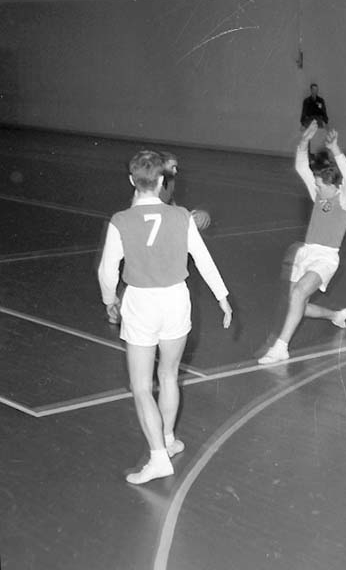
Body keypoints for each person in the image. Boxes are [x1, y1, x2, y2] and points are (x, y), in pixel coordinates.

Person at [98, 150, 233, 485]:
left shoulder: (121, 220)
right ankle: (169, 439)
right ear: (161, 181)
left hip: (142, 303)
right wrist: (222, 297)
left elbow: (107, 270)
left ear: (131, 181)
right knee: (169, 375)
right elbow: (203, 259)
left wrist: (110, 300)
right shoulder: (181, 216)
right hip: (176, 301)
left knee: (142, 387)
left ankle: (158, 458)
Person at [259, 122, 346, 365]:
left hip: (326, 258)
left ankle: (281, 347)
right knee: (297, 302)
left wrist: (335, 149)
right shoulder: (320, 195)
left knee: (300, 292)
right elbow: (301, 167)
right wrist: (304, 142)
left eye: (321, 186)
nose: (317, 188)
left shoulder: (345, 201)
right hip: (306, 254)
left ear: (334, 186)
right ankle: (335, 315)